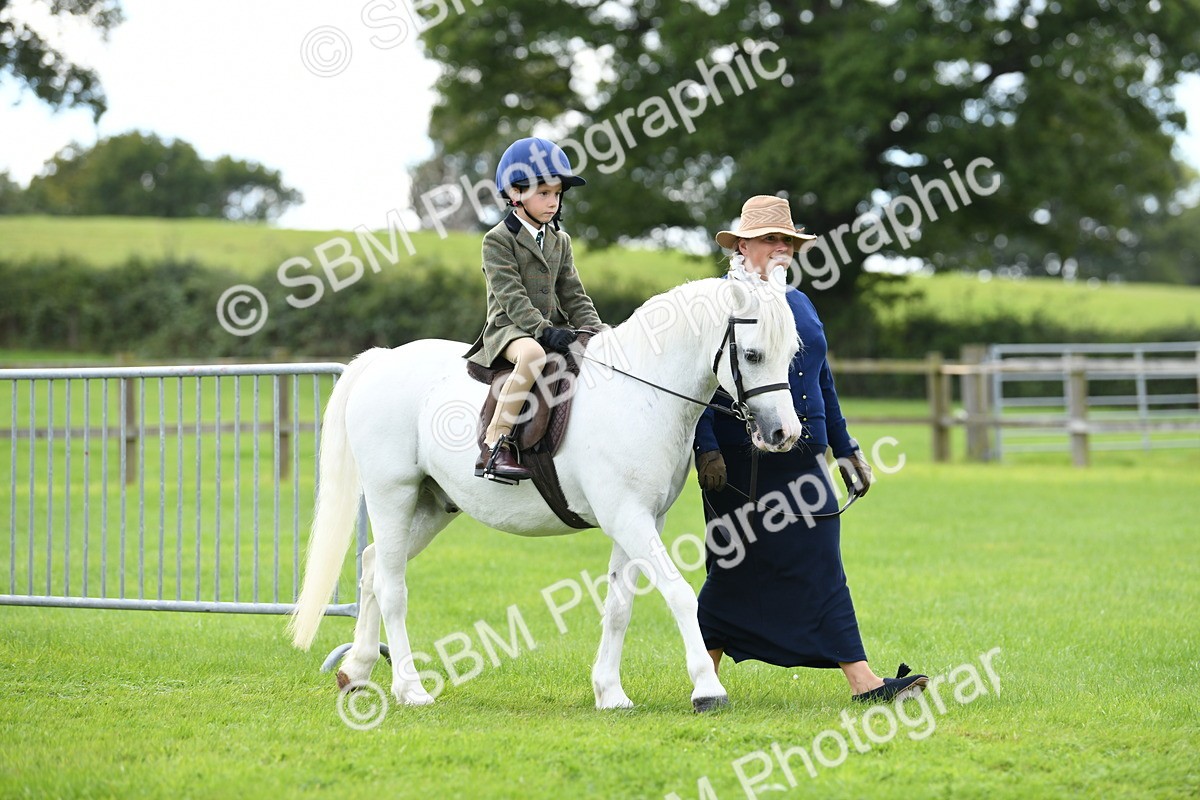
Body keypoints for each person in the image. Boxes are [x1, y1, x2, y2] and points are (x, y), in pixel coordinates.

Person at [692, 195, 928, 703]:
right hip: (740, 462)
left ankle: (862, 680)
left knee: (821, 558)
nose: (781, 249)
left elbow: (823, 379)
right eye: (771, 240)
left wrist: (846, 451)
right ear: (744, 245)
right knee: (732, 565)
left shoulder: (799, 302)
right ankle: (705, 675)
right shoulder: (720, 302)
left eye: (788, 241)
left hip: (804, 454)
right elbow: (697, 380)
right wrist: (705, 447)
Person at [465, 137, 604, 482]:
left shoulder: (561, 240)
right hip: (510, 330)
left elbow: (573, 294)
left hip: (551, 327)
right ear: (516, 194)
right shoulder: (497, 240)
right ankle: (495, 445)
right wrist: (542, 331)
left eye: (557, 194)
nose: (553, 202)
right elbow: (510, 296)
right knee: (533, 357)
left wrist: (597, 332)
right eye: (544, 193)